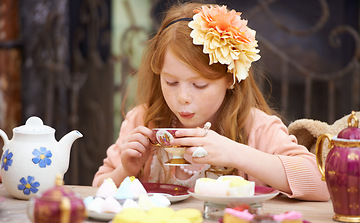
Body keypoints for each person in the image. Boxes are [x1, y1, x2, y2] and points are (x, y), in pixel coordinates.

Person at [93, 2, 329, 201]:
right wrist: (127, 170)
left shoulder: (255, 126)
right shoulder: (143, 120)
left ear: (229, 79)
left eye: (199, 85)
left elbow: (320, 185)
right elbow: (97, 190)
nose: (182, 97)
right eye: (171, 82)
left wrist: (235, 152)